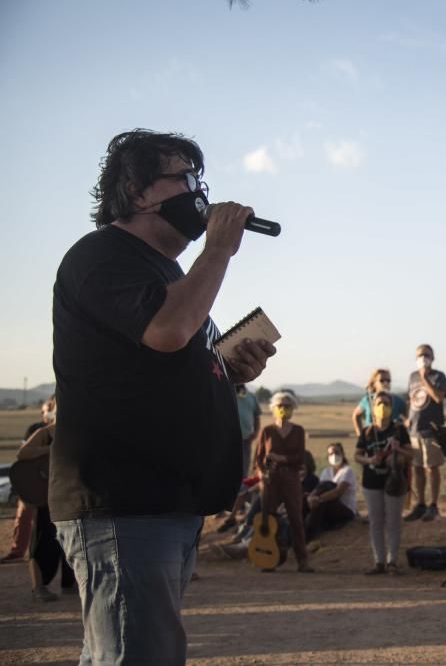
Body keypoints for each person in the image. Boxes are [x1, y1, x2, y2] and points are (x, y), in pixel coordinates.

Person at [50, 130, 274, 664]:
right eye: (184, 177)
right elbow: (168, 332)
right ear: (137, 192)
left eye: (200, 179)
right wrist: (219, 249)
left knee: (123, 651)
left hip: (164, 503)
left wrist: (229, 371)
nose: (198, 192)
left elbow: (169, 361)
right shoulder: (103, 256)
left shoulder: (171, 273)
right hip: (124, 502)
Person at [16, 416, 77, 602]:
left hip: (71, 494)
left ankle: (70, 584)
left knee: (72, 541)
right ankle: (38, 587)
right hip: (47, 495)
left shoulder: (78, 429)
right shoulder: (46, 432)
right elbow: (23, 453)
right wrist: (50, 449)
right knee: (42, 541)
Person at [355, 392, 414, 574]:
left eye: (386, 403)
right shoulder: (367, 431)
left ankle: (392, 561)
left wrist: (399, 450)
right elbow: (357, 455)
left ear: (391, 407)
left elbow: (411, 454)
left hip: (394, 480)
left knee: (394, 521)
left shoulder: (399, 430)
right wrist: (370, 460)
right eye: (379, 403)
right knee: (376, 521)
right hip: (371, 481)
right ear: (373, 408)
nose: (383, 407)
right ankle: (379, 561)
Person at [255, 391, 314, 573]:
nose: (283, 409)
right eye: (280, 405)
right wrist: (260, 477)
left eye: (287, 406)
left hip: (291, 477)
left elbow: (300, 457)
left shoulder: (298, 431)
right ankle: (270, 558)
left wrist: (281, 458)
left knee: (296, 518)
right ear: (273, 408)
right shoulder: (267, 431)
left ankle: (302, 560)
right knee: (270, 518)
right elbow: (258, 458)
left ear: (293, 409)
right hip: (271, 479)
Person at [1, 397, 55, 565]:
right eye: (45, 410)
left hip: (51, 484)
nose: (46, 414)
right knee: (26, 518)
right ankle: (18, 550)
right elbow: (24, 454)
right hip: (33, 482)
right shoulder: (38, 430)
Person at [404, 344, 446, 522]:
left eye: (427, 355)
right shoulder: (412, 376)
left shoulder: (438, 376)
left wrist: (426, 380)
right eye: (420, 355)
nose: (423, 358)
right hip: (414, 429)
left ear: (433, 357)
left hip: (431, 429)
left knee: (432, 468)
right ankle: (421, 504)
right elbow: (412, 399)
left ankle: (433, 505)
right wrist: (407, 418)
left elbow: (438, 398)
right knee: (417, 468)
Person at [306, 443, 357, 539]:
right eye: (331, 454)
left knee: (327, 487)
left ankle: (309, 535)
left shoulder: (347, 471)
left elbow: (338, 492)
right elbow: (318, 489)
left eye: (336, 452)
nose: (334, 456)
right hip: (327, 504)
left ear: (342, 453)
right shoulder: (326, 471)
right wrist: (310, 498)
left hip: (345, 508)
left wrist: (319, 499)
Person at [352, 369, 407, 436]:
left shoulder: (397, 400)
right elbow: (355, 415)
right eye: (382, 380)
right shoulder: (368, 400)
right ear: (374, 383)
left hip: (392, 440)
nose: (386, 383)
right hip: (371, 439)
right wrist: (360, 435)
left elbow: (409, 416)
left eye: (388, 381)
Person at [235, 384, 261, 475]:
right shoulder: (227, 394)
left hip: (246, 439)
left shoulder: (251, 397)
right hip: (229, 440)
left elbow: (257, 416)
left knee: (244, 466)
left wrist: (256, 432)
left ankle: (243, 487)